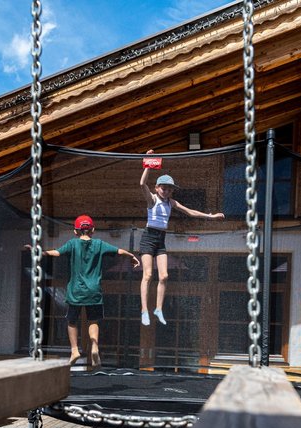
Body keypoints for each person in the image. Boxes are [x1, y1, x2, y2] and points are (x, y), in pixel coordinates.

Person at [139, 149, 224, 326]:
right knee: (147, 275)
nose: (166, 191)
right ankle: (144, 310)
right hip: (148, 237)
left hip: (160, 239)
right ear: (157, 188)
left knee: (164, 276)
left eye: (169, 189)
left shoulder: (171, 203)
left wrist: (211, 216)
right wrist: (148, 164)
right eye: (164, 188)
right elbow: (142, 184)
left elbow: (190, 212)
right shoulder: (152, 200)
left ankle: (158, 309)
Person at [43, 214, 139, 366]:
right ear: (93, 230)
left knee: (71, 321)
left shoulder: (72, 244)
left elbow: (56, 253)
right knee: (93, 320)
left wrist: (41, 252)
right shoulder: (99, 244)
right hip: (93, 291)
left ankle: (74, 349)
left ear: (75, 231)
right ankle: (94, 346)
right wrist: (131, 256)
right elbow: (119, 251)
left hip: (75, 291)